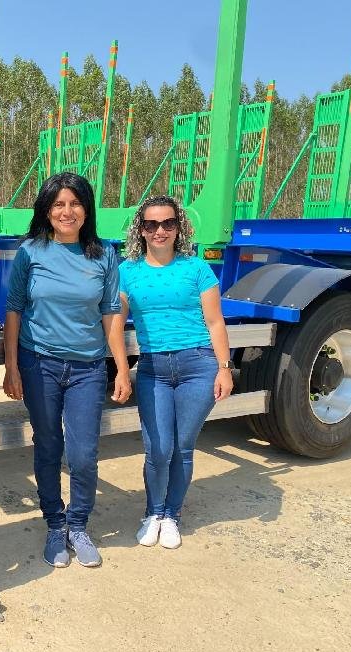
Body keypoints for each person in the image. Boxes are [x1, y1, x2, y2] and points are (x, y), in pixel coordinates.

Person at [2, 172, 130, 569]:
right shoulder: (30, 252)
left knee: (83, 453)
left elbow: (111, 314)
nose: (67, 211)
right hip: (38, 363)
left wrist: (121, 369)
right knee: (47, 447)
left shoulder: (104, 254)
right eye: (59, 204)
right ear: (47, 209)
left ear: (87, 209)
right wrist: (11, 367)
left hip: (87, 369)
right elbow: (14, 309)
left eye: (75, 203)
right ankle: (55, 525)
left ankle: (78, 525)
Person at [118, 195, 233, 549]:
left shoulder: (197, 268)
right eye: (151, 224)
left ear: (179, 227)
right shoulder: (127, 271)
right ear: (141, 230)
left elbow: (215, 322)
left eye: (168, 223)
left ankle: (172, 514)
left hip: (198, 364)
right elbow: (114, 323)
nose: (160, 231)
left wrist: (224, 368)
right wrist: (119, 369)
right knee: (158, 448)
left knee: (183, 446)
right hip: (153, 366)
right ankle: (152, 512)